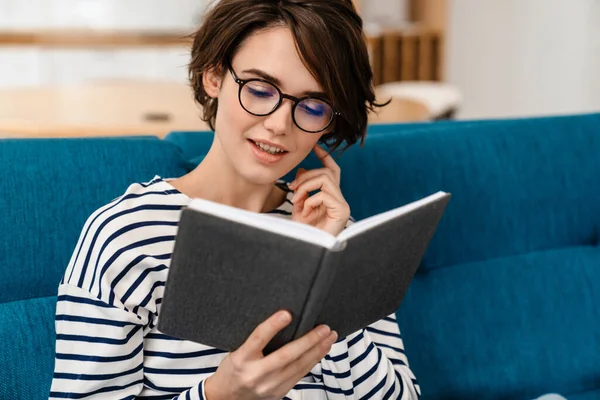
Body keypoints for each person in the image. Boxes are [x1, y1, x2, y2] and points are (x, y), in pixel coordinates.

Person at [49, 0, 421, 398]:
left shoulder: (337, 234)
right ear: (213, 76)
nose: (279, 125)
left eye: (313, 106)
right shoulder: (126, 236)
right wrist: (218, 394)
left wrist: (327, 280)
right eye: (260, 90)